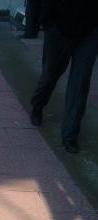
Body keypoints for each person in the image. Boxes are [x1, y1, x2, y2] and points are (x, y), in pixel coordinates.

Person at [30, 0, 98, 153]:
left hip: (90, 33)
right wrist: (48, 24)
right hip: (59, 31)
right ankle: (38, 104)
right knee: (49, 77)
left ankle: (70, 134)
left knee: (80, 84)